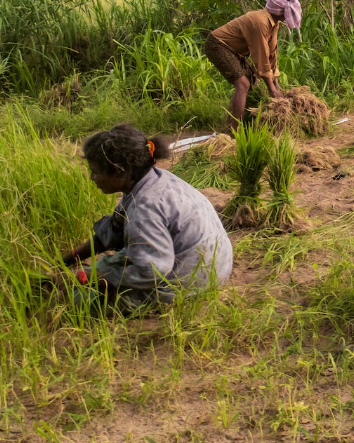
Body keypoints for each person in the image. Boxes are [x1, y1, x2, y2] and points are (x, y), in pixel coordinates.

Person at [60, 124, 233, 314]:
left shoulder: (145, 209)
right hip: (211, 265)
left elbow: (152, 271)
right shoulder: (151, 181)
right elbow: (114, 229)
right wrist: (65, 261)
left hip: (190, 283)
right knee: (107, 267)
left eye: (96, 172)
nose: (92, 178)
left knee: (78, 300)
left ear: (119, 171)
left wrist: (88, 278)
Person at [204, 0, 301, 129]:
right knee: (243, 84)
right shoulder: (260, 23)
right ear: (280, 12)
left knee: (252, 81)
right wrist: (272, 90)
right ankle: (234, 131)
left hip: (233, 50)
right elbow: (261, 57)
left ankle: (237, 122)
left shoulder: (274, 24)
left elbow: (272, 53)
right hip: (217, 45)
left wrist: (276, 82)